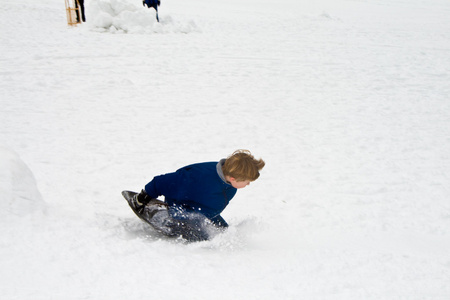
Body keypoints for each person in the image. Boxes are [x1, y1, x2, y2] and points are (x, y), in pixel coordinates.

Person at [129, 150, 265, 241]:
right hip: (181, 206)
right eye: (247, 181)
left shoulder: (229, 183)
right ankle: (170, 223)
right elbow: (163, 182)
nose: (248, 184)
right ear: (234, 178)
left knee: (224, 232)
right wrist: (143, 197)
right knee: (200, 234)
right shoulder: (199, 178)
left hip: (204, 209)